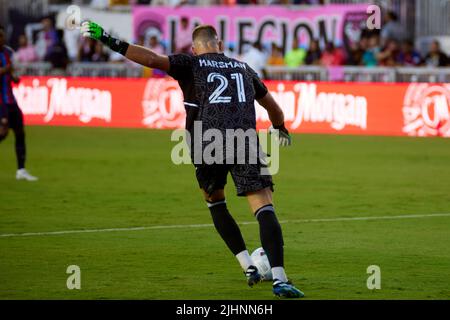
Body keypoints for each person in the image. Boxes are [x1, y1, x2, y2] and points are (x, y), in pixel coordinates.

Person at [81, 21, 304, 298]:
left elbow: (150, 59)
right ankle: (280, 279)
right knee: (263, 206)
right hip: (244, 139)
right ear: (219, 44)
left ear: (195, 48)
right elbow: (271, 105)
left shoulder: (192, 64)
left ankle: (247, 265)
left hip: (206, 141)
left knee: (215, 201)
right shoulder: (243, 68)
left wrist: (109, 39)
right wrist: (280, 126)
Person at [0, 26, 38, 181]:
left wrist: (15, 77)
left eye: (2, 36)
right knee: (3, 132)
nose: (1, 39)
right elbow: (6, 70)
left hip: (11, 99)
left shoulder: (8, 52)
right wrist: (7, 69)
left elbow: (13, 75)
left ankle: (21, 170)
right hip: (0, 102)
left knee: (20, 132)